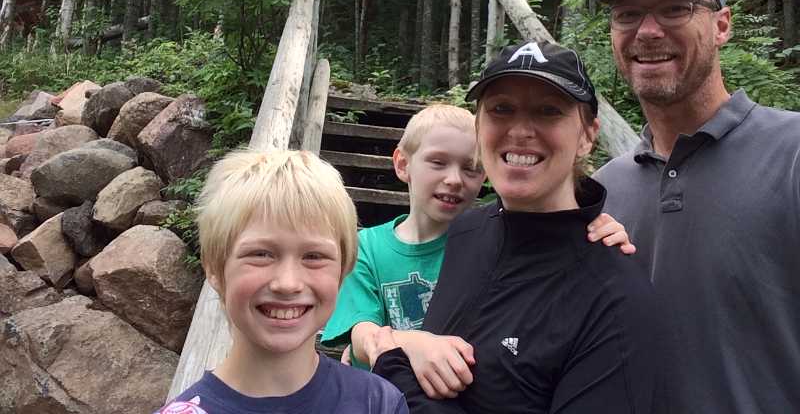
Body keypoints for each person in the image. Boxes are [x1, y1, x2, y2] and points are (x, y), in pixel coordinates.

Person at [371, 41, 663, 413]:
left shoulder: (614, 298)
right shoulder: (465, 233)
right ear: (479, 126)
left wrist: (393, 364)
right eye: (501, 109)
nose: (520, 130)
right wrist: (407, 344)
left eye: (548, 111)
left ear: (587, 135)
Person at [593, 0, 800, 413]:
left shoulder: (791, 155)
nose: (647, 31)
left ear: (722, 25)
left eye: (675, 9)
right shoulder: (602, 191)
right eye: (627, 15)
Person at [322, 104, 634, 401]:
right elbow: (361, 336)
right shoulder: (367, 247)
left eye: (471, 168)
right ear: (403, 164)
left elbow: (554, 241)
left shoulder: (496, 244)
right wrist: (411, 343)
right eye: (438, 162)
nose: (454, 180)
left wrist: (588, 230)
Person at [155, 149, 408, 414]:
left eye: (314, 256)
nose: (288, 283)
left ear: (343, 270)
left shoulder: (378, 403)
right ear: (214, 268)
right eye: (261, 254)